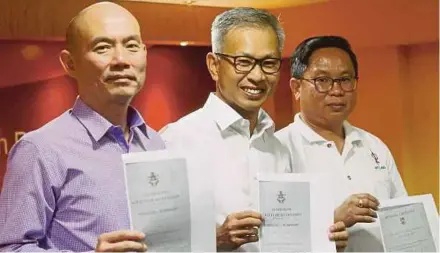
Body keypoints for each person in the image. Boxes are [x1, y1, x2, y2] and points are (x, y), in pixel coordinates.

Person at [160, 8, 348, 252]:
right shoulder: (176, 140)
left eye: (269, 63)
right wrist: (214, 240)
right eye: (244, 62)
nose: (258, 76)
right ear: (214, 65)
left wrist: (323, 238)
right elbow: (154, 243)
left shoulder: (277, 147)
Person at [0, 2, 164, 252]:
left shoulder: (155, 143)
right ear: (70, 63)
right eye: (103, 47)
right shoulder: (40, 150)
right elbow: (11, 249)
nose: (121, 60)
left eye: (131, 46)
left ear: (144, 53)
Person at [276, 35, 407, 251]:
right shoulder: (279, 149)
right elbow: (275, 238)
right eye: (323, 81)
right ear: (296, 87)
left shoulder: (374, 146)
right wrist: (335, 218)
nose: (337, 91)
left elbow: (402, 216)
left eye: (345, 79)